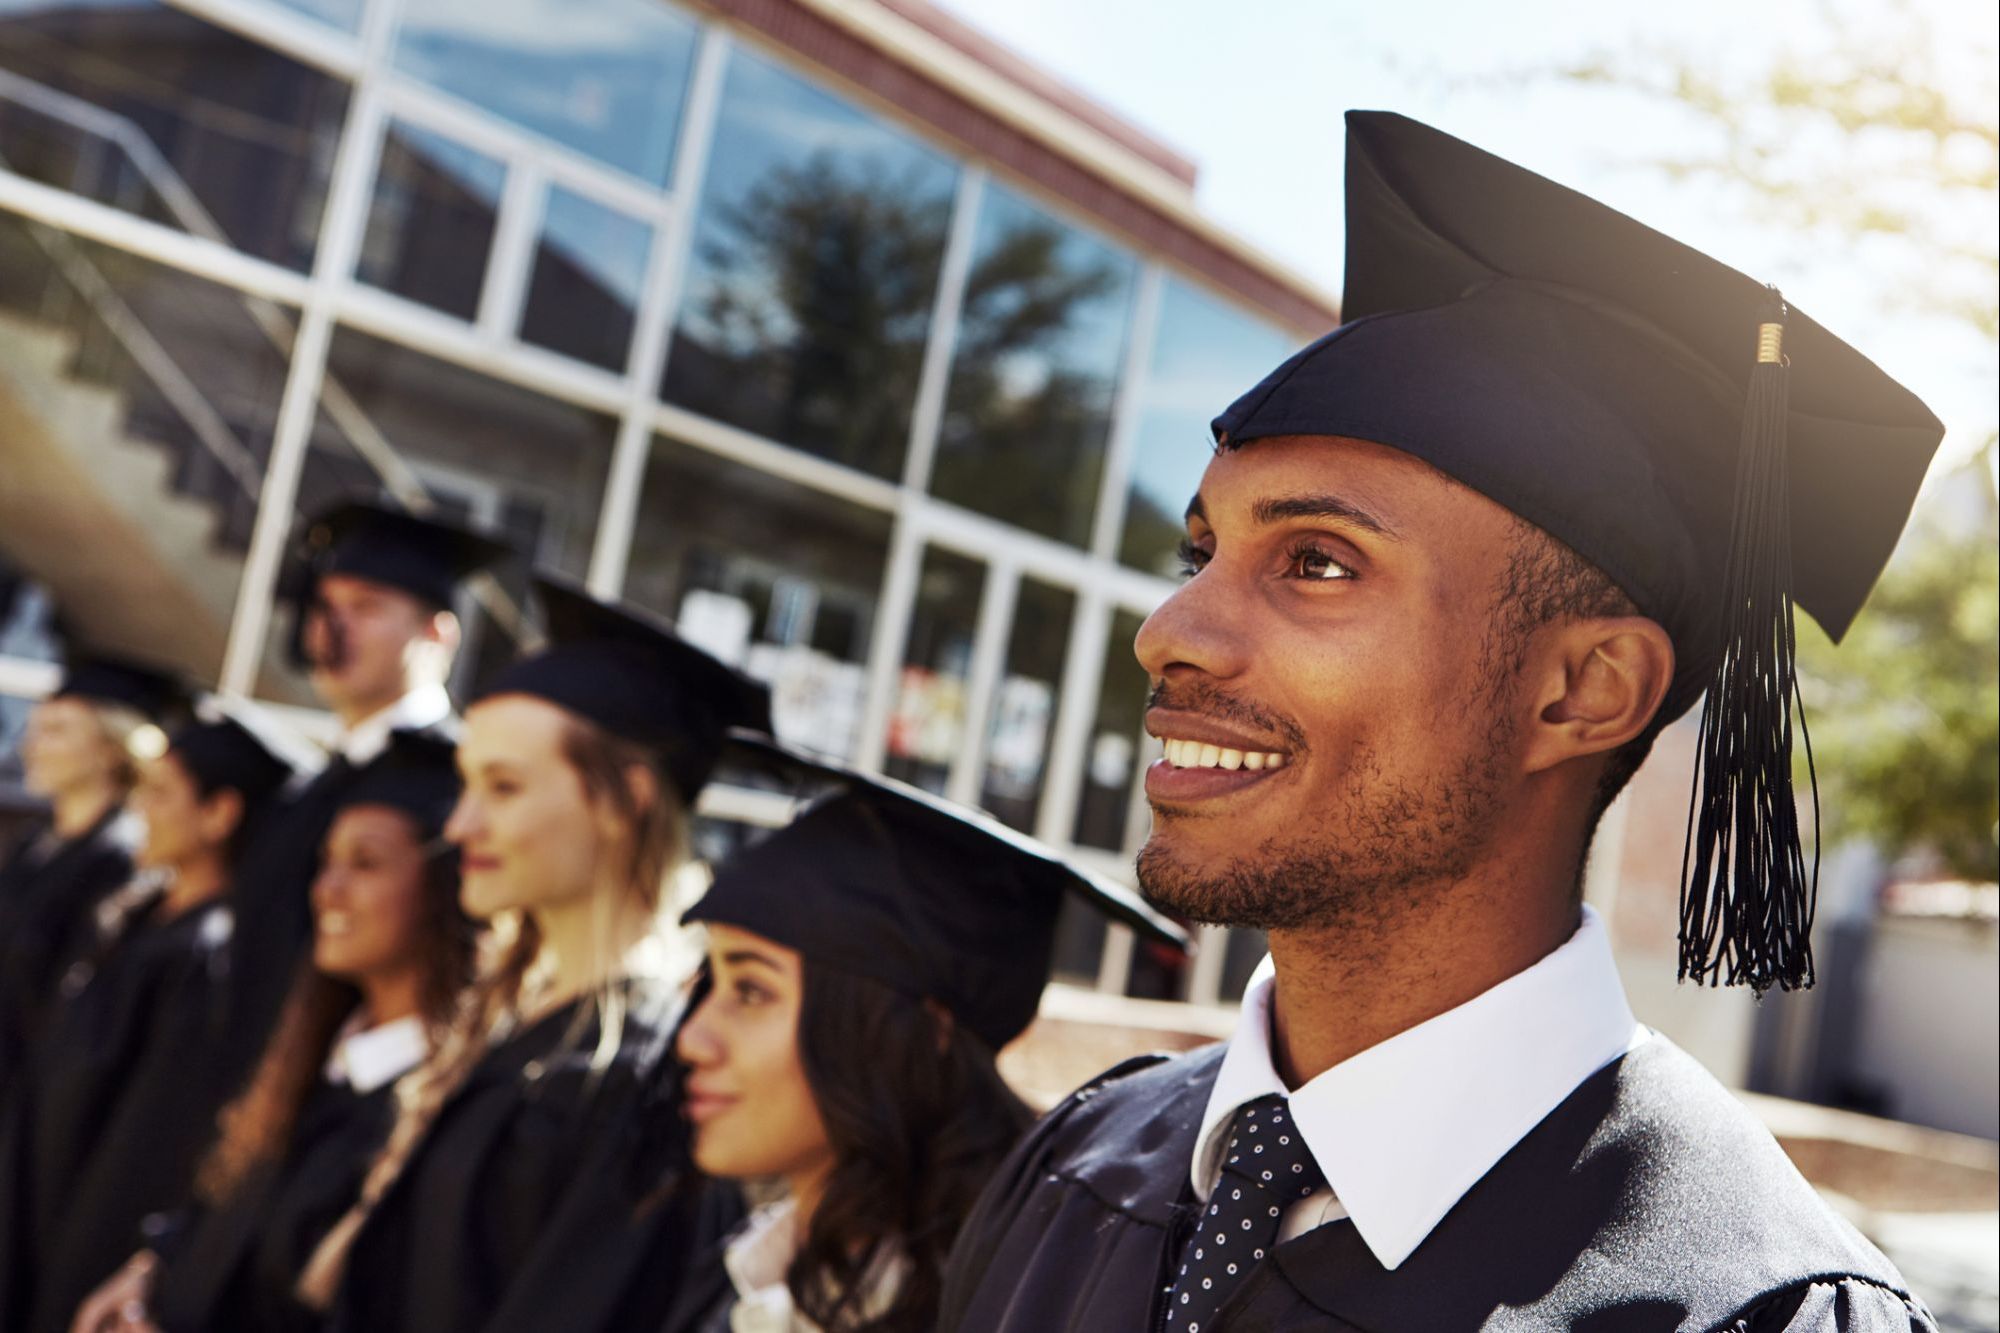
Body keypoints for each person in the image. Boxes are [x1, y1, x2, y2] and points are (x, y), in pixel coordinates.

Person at [938, 113, 1943, 1331]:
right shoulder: (1080, 1163)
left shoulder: (1742, 1309)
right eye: (1198, 549)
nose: (1168, 627)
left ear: (1580, 692)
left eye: (1314, 562)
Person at [298, 574, 769, 1333]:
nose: (458, 826)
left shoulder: (641, 1086)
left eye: (505, 786)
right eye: (465, 784)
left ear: (626, 800)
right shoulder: (515, 1022)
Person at [657, 732, 1187, 1333]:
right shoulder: (747, 1269)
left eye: (751, 991)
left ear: (923, 1028)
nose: (691, 1038)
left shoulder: (1015, 1307)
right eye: (709, 982)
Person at [68, 729, 474, 1333]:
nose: (327, 890)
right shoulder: (310, 1062)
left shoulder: (439, 1109)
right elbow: (219, 1219)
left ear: (448, 890)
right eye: (326, 863)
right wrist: (149, 1271)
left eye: (364, 864)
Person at [0, 701, 308, 1333]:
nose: (143, 809)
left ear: (220, 814)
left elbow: (137, 1159)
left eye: (164, 795)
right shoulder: (139, 919)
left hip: (68, 1245)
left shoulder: (206, 957)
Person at [223, 500, 510, 1081]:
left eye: (366, 607)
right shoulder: (311, 785)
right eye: (326, 606)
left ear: (437, 632)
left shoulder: (453, 789)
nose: (333, 629)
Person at [0, 653, 187, 1077]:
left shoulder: (121, 860)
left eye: (56, 731)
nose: (32, 746)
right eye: (34, 729)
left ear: (110, 749)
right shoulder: (35, 841)